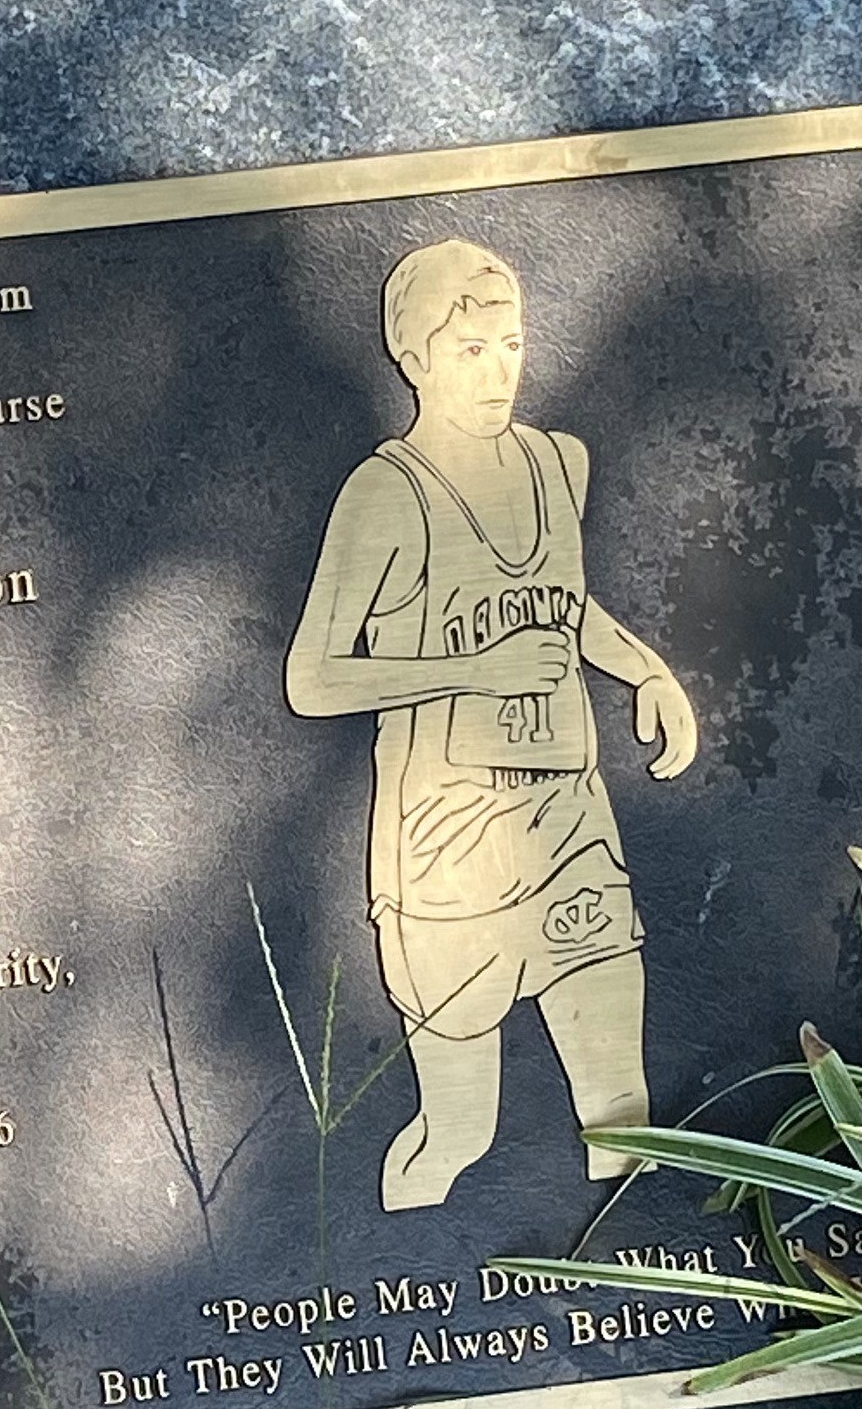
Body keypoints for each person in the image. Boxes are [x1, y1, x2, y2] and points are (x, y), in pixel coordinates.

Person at [281, 238, 698, 1212]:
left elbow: (563, 603)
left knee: (621, 1105)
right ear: (412, 358)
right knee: (462, 1131)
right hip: (445, 850)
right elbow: (312, 679)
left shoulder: (558, 465)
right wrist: (472, 670)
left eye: (510, 344)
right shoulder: (389, 496)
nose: (498, 370)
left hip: (568, 821)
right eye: (470, 350)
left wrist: (645, 669)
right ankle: (384, 1265)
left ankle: (626, 1268)